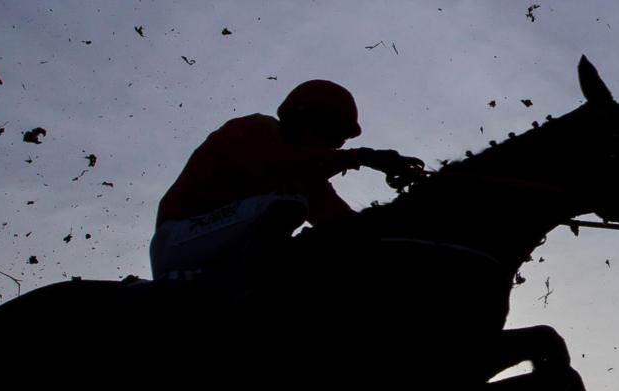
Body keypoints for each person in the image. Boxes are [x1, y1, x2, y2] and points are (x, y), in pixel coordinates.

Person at [150, 79, 424, 292]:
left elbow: (341, 223)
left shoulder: (304, 177)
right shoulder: (253, 130)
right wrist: (365, 156)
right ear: (305, 120)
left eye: (339, 142)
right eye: (333, 137)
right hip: (178, 242)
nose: (334, 147)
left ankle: (242, 283)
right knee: (286, 204)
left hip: (221, 253)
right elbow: (277, 165)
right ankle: (246, 287)